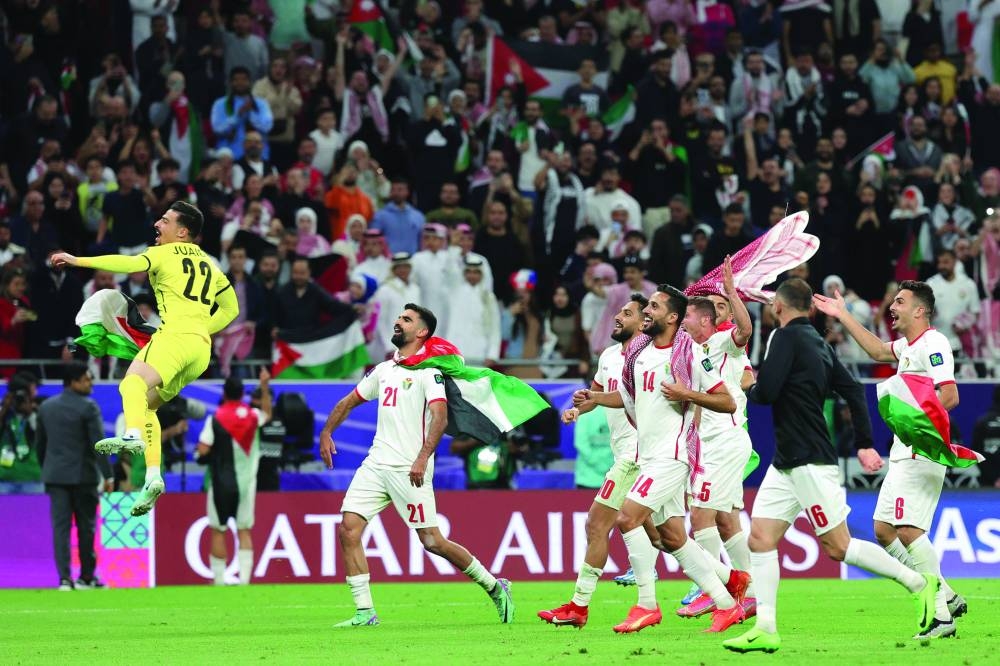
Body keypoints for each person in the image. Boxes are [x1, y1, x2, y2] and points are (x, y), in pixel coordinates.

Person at [723, 279, 940, 654]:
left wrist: (746, 384)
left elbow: (767, 393)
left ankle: (919, 584)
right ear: (809, 307)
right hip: (788, 461)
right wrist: (863, 443)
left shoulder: (784, 338)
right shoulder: (818, 343)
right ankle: (766, 628)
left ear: (777, 306)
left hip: (808, 459)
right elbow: (854, 389)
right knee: (760, 539)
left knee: (838, 546)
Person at [319, 304, 514, 627]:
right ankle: (365, 611)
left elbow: (440, 416)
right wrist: (327, 431)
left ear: (422, 332)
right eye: (398, 318)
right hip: (376, 464)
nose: (398, 322)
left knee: (432, 541)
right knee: (348, 528)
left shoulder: (429, 373)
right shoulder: (384, 370)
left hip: (409, 468)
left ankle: (495, 585)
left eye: (406, 320)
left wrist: (423, 457)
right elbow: (349, 401)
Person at [574, 286, 749, 634]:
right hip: (649, 455)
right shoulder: (641, 355)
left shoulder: (691, 355)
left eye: (654, 306)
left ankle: (646, 606)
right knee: (671, 538)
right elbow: (626, 399)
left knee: (626, 517)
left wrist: (687, 393)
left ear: (672, 317)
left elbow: (727, 402)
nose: (647, 311)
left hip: (673, 457)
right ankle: (729, 596)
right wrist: (592, 397)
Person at [50, 202, 239, 517]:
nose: (157, 224)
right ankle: (153, 475)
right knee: (147, 405)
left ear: (182, 232)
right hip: (200, 350)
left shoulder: (166, 253)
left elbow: (127, 264)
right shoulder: (210, 263)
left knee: (130, 386)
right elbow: (231, 308)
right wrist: (200, 329)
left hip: (174, 338)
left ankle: (133, 436)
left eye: (165, 221)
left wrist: (77, 259)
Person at [812, 279, 966, 639]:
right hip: (904, 449)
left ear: (920, 310)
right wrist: (843, 316)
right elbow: (879, 351)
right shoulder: (908, 346)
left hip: (921, 447)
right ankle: (944, 593)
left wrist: (916, 424)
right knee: (884, 529)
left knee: (910, 529)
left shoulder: (934, 343)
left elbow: (951, 395)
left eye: (900, 301)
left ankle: (941, 616)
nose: (892, 307)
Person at [537, 295, 648, 628]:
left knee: (597, 524)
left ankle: (580, 606)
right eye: (618, 312)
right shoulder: (610, 355)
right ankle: (728, 588)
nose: (617, 317)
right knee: (667, 537)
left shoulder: (649, 356)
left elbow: (631, 398)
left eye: (627, 314)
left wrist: (596, 397)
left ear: (643, 322)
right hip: (629, 451)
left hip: (639, 452)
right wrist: (579, 407)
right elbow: (596, 394)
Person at [675, 259, 756, 619]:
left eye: (687, 317)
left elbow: (746, 328)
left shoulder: (725, 341)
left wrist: (731, 289)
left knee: (701, 515)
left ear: (706, 319)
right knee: (726, 521)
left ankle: (715, 586)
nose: (683, 322)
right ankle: (751, 591)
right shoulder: (691, 350)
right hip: (710, 441)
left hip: (726, 438)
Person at [35, 362, 112, 590]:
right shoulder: (89, 407)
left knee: (60, 529)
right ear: (74, 382)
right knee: (86, 528)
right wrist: (108, 476)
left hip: (55, 476)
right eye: (87, 379)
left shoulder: (46, 407)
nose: (91, 383)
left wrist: (48, 469)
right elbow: (99, 445)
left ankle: (65, 579)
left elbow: (40, 445)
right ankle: (87, 577)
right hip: (83, 477)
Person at [197, 369, 271, 586]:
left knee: (218, 530)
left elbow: (202, 449)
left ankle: (219, 582)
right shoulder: (253, 416)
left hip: (220, 483)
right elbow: (267, 414)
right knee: (244, 530)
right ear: (242, 394)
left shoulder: (215, 418)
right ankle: (244, 582)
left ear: (225, 393)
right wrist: (264, 387)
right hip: (246, 484)